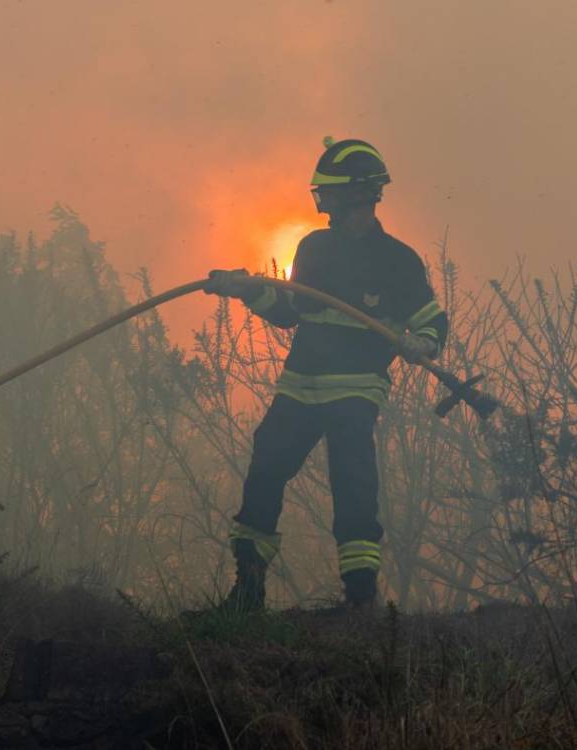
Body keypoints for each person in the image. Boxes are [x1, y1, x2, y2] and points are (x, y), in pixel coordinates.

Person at [204, 136, 449, 610]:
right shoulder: (314, 247)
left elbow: (431, 319)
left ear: (359, 193)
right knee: (265, 470)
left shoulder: (398, 261)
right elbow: (290, 310)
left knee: (353, 485)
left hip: (356, 393)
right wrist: (246, 289)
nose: (323, 203)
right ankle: (247, 589)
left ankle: (359, 603)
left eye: (331, 192)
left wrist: (425, 342)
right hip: (300, 386)